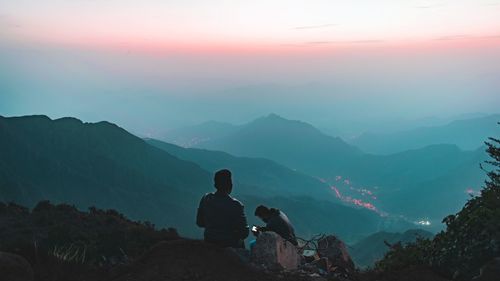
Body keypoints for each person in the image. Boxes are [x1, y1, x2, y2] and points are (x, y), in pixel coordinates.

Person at [196, 169, 249, 248]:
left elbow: (200, 222)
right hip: (229, 245)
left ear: (215, 184)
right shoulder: (236, 205)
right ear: (230, 185)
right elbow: (244, 232)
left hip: (209, 241)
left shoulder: (206, 199)